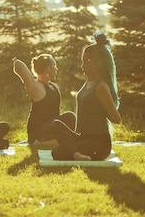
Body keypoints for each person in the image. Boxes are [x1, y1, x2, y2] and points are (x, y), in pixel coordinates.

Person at [50, 33, 121, 161]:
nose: (82, 66)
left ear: (97, 63)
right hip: (82, 137)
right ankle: (76, 153)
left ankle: (76, 153)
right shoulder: (89, 82)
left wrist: (102, 107)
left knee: (60, 153)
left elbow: (116, 118)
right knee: (56, 127)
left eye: (86, 62)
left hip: (98, 144)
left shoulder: (101, 87)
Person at [13, 54, 76, 147]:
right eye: (54, 65)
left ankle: (47, 144)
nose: (56, 69)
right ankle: (39, 144)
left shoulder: (55, 87)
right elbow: (17, 64)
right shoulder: (36, 87)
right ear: (48, 68)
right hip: (37, 132)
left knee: (72, 122)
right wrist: (32, 77)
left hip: (52, 127)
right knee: (70, 116)